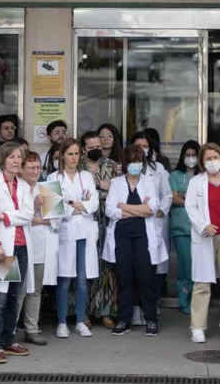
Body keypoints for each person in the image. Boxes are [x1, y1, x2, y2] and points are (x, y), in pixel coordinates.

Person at [0, 141, 35, 364]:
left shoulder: (22, 186)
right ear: (2, 159)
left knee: (14, 298)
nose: (16, 160)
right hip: (1, 246)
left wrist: (7, 216)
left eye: (19, 157)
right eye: (12, 156)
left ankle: (10, 339)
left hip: (21, 246)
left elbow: (28, 214)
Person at [103, 144, 165, 337]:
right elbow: (110, 210)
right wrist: (138, 209)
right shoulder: (116, 183)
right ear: (125, 163)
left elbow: (152, 209)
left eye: (139, 162)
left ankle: (151, 319)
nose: (135, 165)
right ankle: (124, 319)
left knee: (146, 278)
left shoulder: (148, 182)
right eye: (132, 162)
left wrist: (126, 208)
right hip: (121, 236)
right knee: (124, 278)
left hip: (144, 237)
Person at [186, 142, 220, 344]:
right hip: (205, 236)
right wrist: (203, 225)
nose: (212, 162)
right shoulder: (196, 183)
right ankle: (198, 326)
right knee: (202, 282)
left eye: (215, 157)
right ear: (202, 162)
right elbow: (190, 207)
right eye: (208, 159)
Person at [48, 138, 99, 338]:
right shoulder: (53, 178)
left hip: (84, 232)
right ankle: (62, 322)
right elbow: (53, 208)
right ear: (62, 155)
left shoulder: (86, 176)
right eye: (70, 153)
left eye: (77, 153)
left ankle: (80, 319)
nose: (73, 158)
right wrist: (78, 207)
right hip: (65, 232)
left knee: (82, 280)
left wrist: (73, 205)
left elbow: (94, 202)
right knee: (64, 280)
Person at [131, 130, 172, 326]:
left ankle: (151, 306)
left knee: (154, 268)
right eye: (137, 146)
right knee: (136, 269)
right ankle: (136, 308)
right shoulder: (128, 169)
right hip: (134, 223)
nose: (141, 150)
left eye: (144, 146)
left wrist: (161, 212)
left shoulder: (159, 169)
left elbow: (167, 195)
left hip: (154, 223)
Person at [17, 151, 58, 345]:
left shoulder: (47, 188)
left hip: (41, 246)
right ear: (21, 169)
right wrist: (34, 211)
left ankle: (31, 329)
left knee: (36, 289)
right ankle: (9, 330)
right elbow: (17, 217)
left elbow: (55, 219)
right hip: (19, 245)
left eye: (38, 167)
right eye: (31, 167)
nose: (35, 171)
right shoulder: (15, 189)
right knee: (18, 289)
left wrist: (36, 220)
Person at [90, 124, 122, 329]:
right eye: (97, 138)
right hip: (88, 219)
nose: (102, 141)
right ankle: (85, 312)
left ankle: (107, 311)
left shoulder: (113, 166)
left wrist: (104, 188)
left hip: (108, 220)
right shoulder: (80, 167)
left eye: (107, 136)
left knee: (108, 268)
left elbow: (119, 192)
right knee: (87, 266)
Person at [169, 140, 199, 315]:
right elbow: (174, 199)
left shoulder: (203, 175)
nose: (190, 158)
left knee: (200, 267)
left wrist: (185, 197)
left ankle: (198, 300)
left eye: (194, 155)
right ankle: (184, 300)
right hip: (181, 229)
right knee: (185, 266)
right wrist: (191, 199)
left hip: (201, 229)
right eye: (187, 155)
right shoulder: (175, 175)